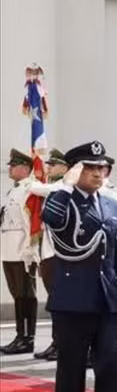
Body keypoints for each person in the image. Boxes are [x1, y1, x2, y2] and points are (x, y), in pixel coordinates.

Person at [41, 141, 117, 392]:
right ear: (76, 169)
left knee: (110, 362)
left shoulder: (112, 204)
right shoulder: (60, 200)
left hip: (107, 299)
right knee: (72, 366)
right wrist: (65, 186)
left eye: (102, 167)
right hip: (73, 298)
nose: (98, 173)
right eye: (90, 167)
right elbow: (51, 220)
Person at [32, 149, 68, 360]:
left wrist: (31, 179)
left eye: (54, 165)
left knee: (60, 300)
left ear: (65, 167)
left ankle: (62, 342)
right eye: (49, 164)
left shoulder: (63, 185)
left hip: (58, 253)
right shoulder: (53, 186)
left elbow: (39, 188)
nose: (50, 168)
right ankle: (56, 341)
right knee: (54, 301)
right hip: (47, 250)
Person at [1, 149, 38, 355]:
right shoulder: (11, 191)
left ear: (25, 169)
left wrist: (30, 248)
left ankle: (28, 337)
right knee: (17, 294)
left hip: (23, 248)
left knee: (26, 293)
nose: (10, 168)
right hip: (8, 247)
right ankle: (19, 335)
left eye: (13, 165)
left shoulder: (29, 189)